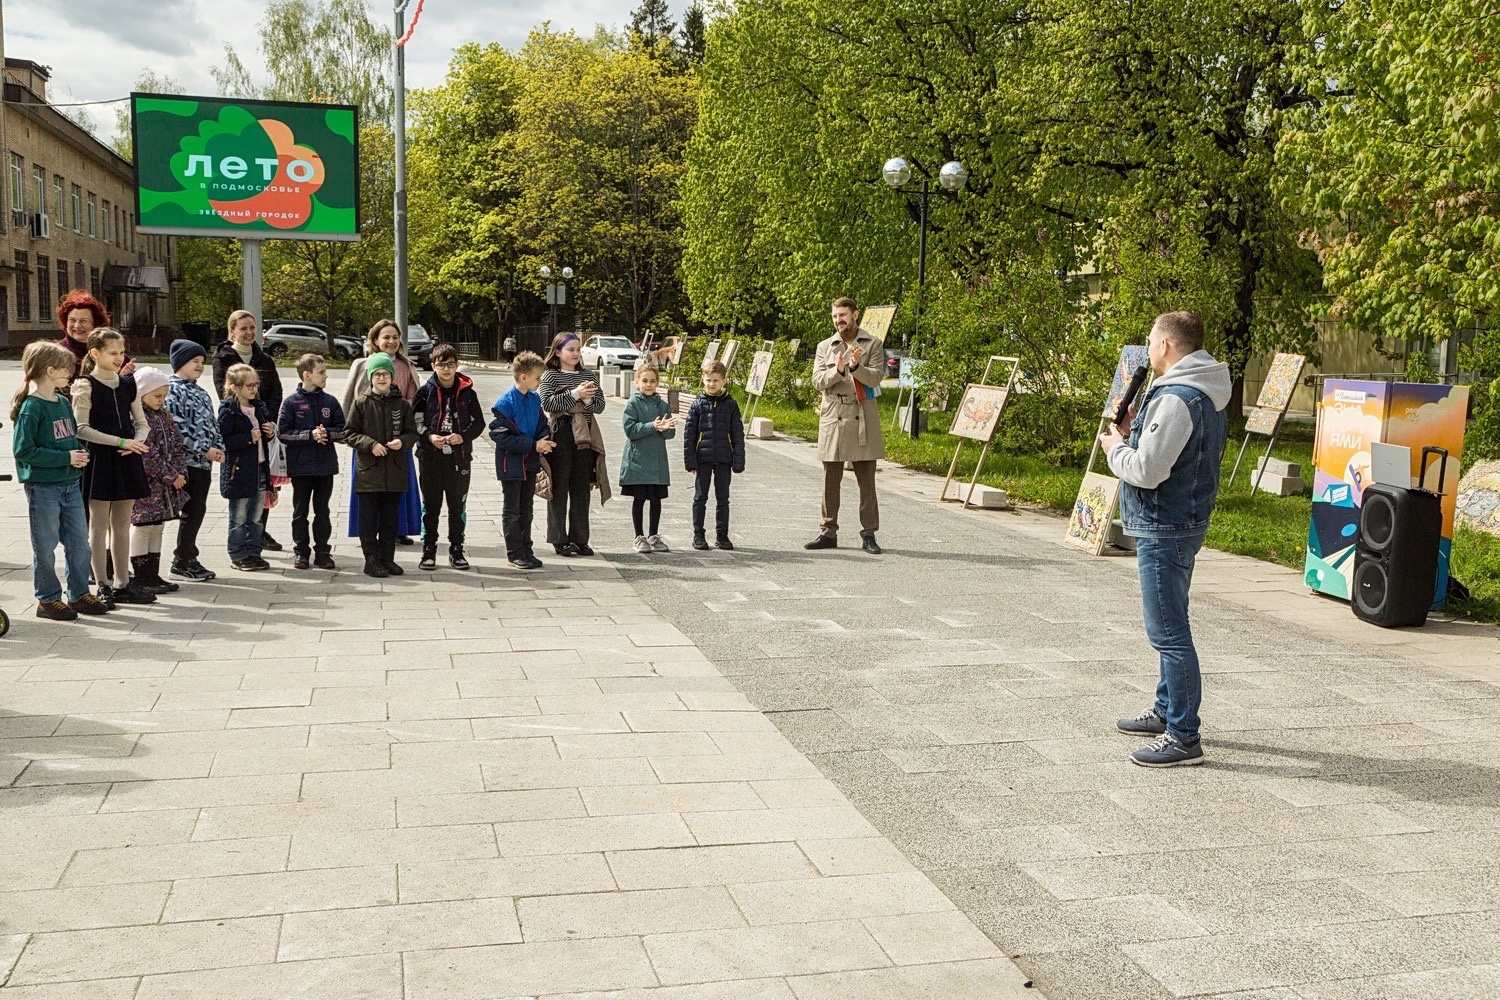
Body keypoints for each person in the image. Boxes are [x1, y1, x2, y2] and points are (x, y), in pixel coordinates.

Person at [1099, 310, 1231, 768]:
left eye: (1152, 340)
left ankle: (1183, 736)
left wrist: (1116, 447)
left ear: (1166, 346)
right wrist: (1136, 426)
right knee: (1171, 623)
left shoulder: (1178, 398)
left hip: (1165, 525)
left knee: (1168, 632)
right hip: (1183, 520)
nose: (1149, 348)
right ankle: (1165, 710)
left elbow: (1149, 470)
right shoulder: (1203, 390)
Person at [11, 340, 107, 620]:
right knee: (46, 546)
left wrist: (79, 454)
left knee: (79, 543)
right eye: (67, 369)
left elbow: (69, 437)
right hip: (43, 488)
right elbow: (23, 451)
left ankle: (78, 593)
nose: (71, 374)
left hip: (70, 485)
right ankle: (48, 599)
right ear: (50, 370)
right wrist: (65, 458)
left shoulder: (62, 401)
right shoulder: (32, 407)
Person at [73, 328, 154, 607]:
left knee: (122, 523)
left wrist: (137, 441)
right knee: (98, 524)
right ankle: (102, 584)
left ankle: (123, 583)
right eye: (113, 353)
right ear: (95, 353)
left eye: (121, 352)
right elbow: (81, 429)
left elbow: (142, 422)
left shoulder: (128, 384)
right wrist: (121, 441)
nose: (119, 358)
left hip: (126, 456)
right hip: (99, 458)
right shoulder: (84, 385)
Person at [806, 297, 886, 555]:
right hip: (834, 416)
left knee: (867, 480)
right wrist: (838, 372)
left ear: (855, 315)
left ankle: (869, 534)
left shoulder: (872, 343)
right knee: (830, 478)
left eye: (843, 315)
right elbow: (817, 381)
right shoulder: (825, 346)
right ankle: (828, 532)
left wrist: (855, 367)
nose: (839, 321)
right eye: (835, 316)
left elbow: (875, 377)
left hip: (862, 414)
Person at [342, 320, 423, 546]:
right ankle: (367, 532)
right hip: (369, 439)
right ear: (375, 340)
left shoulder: (407, 366)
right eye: (385, 337)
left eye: (395, 337)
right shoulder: (361, 365)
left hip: (397, 437)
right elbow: (350, 400)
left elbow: (413, 399)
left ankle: (398, 530)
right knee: (367, 490)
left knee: (398, 487)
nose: (391, 341)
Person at [212, 310, 284, 551]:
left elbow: (276, 391)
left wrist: (267, 418)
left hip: (262, 426)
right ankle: (240, 546)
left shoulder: (264, 359)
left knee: (264, 485)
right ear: (231, 330)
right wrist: (247, 416)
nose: (249, 333)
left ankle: (259, 533)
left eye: (252, 328)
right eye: (243, 328)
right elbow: (224, 392)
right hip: (241, 427)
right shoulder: (224, 357)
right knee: (243, 499)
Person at [343, 353, 418, 578]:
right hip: (369, 473)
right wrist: (370, 444)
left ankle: (388, 558)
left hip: (394, 471)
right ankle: (371, 559)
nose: (382, 378)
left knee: (389, 518)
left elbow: (412, 433)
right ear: (370, 377)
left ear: (392, 377)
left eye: (386, 374)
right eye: (377, 374)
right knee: (368, 518)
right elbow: (349, 433)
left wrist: (402, 442)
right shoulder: (361, 403)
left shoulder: (402, 405)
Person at [413, 343, 484, 570]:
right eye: (441, 365)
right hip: (430, 457)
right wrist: (429, 436)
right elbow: (415, 422)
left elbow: (479, 423)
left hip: (459, 458)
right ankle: (429, 550)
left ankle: (457, 549)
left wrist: (462, 436)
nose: (446, 369)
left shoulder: (467, 393)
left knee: (457, 506)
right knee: (431, 506)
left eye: (450, 365)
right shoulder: (424, 392)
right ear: (433, 366)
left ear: (456, 365)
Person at [538, 332, 609, 556]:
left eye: (578, 349)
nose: (575, 354)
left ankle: (580, 539)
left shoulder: (589, 375)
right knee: (558, 487)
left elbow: (600, 405)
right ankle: (559, 539)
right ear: (558, 352)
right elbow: (548, 404)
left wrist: (587, 399)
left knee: (581, 488)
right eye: (570, 349)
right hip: (560, 434)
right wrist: (576, 394)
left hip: (585, 436)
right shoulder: (550, 376)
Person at [278, 353, 345, 571]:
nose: (326, 376)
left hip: (325, 466)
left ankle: (323, 551)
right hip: (301, 467)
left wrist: (326, 434)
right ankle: (301, 552)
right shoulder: (291, 402)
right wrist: (309, 435)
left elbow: (343, 431)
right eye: (321, 372)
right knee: (300, 511)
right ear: (307, 375)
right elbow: (283, 433)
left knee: (322, 510)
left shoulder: (330, 401)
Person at [166, 339, 225, 581]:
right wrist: (203, 449)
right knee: (190, 510)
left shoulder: (201, 392)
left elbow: (212, 424)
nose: (200, 366)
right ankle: (183, 559)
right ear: (180, 363)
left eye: (202, 362)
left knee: (198, 508)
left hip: (204, 463)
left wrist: (218, 447)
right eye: (194, 361)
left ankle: (188, 555)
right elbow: (176, 429)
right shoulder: (172, 390)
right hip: (187, 463)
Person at [490, 351, 555, 570]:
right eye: (538, 377)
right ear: (524, 376)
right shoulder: (505, 403)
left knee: (526, 508)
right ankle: (514, 552)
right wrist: (534, 445)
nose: (540, 382)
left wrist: (544, 438)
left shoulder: (535, 399)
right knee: (512, 510)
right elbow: (500, 435)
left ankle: (527, 549)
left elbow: (541, 424)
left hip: (529, 462)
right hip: (511, 464)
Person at [128, 367, 189, 594]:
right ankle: (141, 576)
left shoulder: (164, 415)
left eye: (164, 396)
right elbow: (146, 453)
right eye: (157, 395)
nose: (161, 400)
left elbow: (177, 444)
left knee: (158, 527)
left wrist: (180, 472)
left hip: (165, 485)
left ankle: (153, 574)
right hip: (147, 484)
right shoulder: (137, 417)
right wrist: (171, 476)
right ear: (142, 392)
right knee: (143, 527)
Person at [218, 363, 275, 572]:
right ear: (235, 387)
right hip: (238, 471)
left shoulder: (259, 407)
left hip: (259, 468)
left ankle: (254, 551)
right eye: (249, 385)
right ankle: (238, 553)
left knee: (256, 515)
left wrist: (270, 431)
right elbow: (223, 441)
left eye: (256, 384)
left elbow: (266, 435)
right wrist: (247, 438)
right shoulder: (228, 410)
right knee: (239, 516)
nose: (254, 389)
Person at [683, 359, 744, 551]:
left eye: (716, 380)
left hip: (724, 459)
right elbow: (689, 435)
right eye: (708, 380)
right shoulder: (697, 405)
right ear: (703, 379)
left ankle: (722, 535)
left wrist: (738, 459)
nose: (711, 384)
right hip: (703, 458)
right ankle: (698, 534)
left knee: (723, 498)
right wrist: (690, 460)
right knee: (700, 497)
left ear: (724, 381)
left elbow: (737, 435)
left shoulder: (731, 405)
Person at [621, 360, 677, 553]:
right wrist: (652, 426)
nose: (649, 384)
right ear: (637, 382)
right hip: (638, 460)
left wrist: (667, 428)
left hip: (657, 461)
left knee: (656, 499)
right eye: (645, 380)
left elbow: (670, 434)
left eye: (653, 381)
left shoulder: (662, 405)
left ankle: (654, 535)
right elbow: (630, 430)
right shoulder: (633, 403)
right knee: (639, 498)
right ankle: (639, 536)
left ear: (657, 383)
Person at [55, 289, 134, 385]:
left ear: (96, 324)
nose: (77, 326)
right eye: (72, 320)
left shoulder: (117, 355)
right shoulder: (55, 354)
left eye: (84, 321)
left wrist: (122, 379)